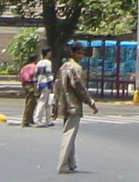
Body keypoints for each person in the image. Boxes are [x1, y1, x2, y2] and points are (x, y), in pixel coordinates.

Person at [55, 43, 98, 174]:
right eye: (79, 53)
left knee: (70, 134)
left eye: (82, 53)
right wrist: (90, 102)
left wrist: (55, 106)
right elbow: (79, 87)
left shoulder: (63, 67)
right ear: (72, 53)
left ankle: (71, 163)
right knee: (69, 135)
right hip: (73, 105)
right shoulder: (76, 68)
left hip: (64, 104)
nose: (81, 56)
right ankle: (62, 165)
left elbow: (57, 86)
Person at [18, 54, 41, 127]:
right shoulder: (34, 67)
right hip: (31, 84)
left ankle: (30, 119)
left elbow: (21, 76)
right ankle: (25, 120)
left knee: (32, 102)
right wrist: (35, 87)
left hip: (25, 84)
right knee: (30, 103)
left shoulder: (25, 67)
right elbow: (34, 77)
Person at [33, 51, 55, 127]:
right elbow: (49, 74)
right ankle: (38, 120)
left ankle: (48, 120)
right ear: (48, 53)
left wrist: (35, 85)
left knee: (48, 102)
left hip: (40, 83)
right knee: (43, 102)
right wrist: (52, 84)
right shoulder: (48, 63)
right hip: (46, 84)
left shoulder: (39, 63)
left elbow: (35, 75)